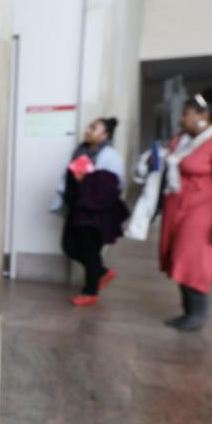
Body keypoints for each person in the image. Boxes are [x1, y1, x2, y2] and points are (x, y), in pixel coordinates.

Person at [160, 88, 212, 331]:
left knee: (193, 260)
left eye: (187, 114)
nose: (182, 119)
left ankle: (198, 313)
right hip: (179, 208)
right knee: (178, 257)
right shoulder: (183, 140)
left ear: (203, 116)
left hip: (203, 212)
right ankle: (188, 311)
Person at [57, 117, 129, 306]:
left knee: (90, 250)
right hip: (77, 207)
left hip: (96, 212)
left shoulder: (111, 156)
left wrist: (86, 180)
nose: (88, 130)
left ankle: (90, 292)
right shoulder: (80, 151)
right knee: (69, 246)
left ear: (105, 135)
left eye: (94, 128)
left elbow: (112, 186)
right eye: (89, 127)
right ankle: (101, 272)